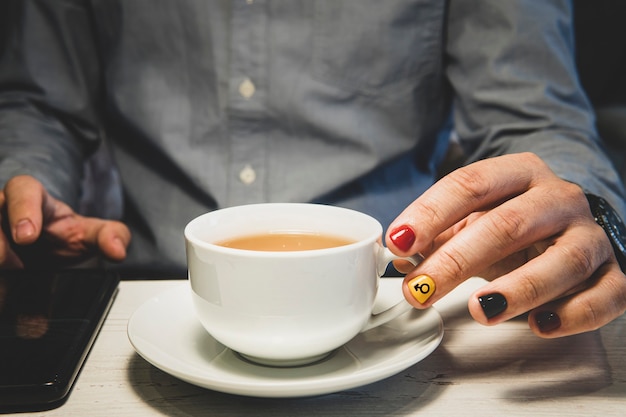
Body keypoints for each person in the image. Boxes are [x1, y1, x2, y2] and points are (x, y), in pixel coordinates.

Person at [0, 0, 624, 339]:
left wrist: (581, 213)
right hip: (140, 293)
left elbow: (535, 116)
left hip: (398, 295)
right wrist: (26, 178)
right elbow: (39, 101)